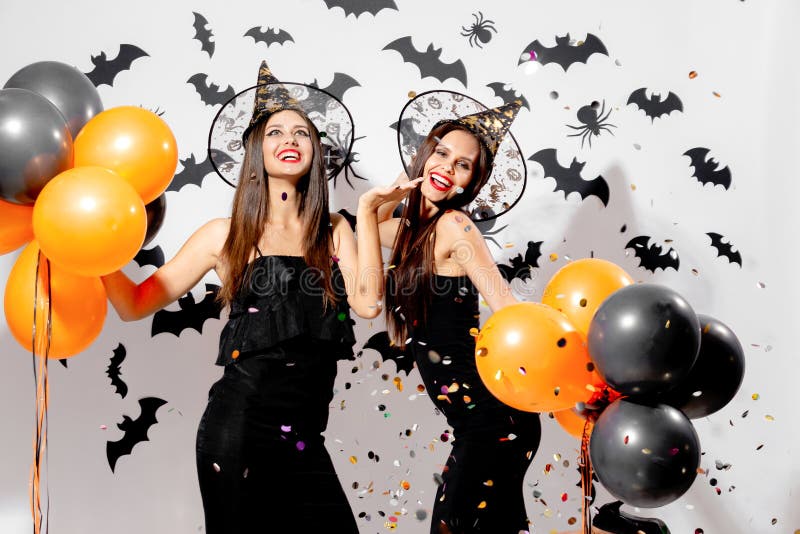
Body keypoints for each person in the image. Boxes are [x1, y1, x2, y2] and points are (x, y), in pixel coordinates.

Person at [101, 60, 418, 533]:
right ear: (255, 151)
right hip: (238, 430)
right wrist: (91, 246)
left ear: (316, 151)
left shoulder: (332, 231)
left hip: (304, 438)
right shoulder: (224, 236)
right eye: (275, 132)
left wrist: (369, 210)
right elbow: (132, 305)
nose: (289, 140)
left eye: (301, 133)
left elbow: (369, 303)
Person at [378, 93, 541, 534]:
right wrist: (403, 186)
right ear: (425, 155)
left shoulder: (454, 226)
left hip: (492, 421)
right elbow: (367, 223)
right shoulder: (414, 231)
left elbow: (505, 304)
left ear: (469, 184)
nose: (448, 168)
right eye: (442, 153)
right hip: (480, 423)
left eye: (462, 165)